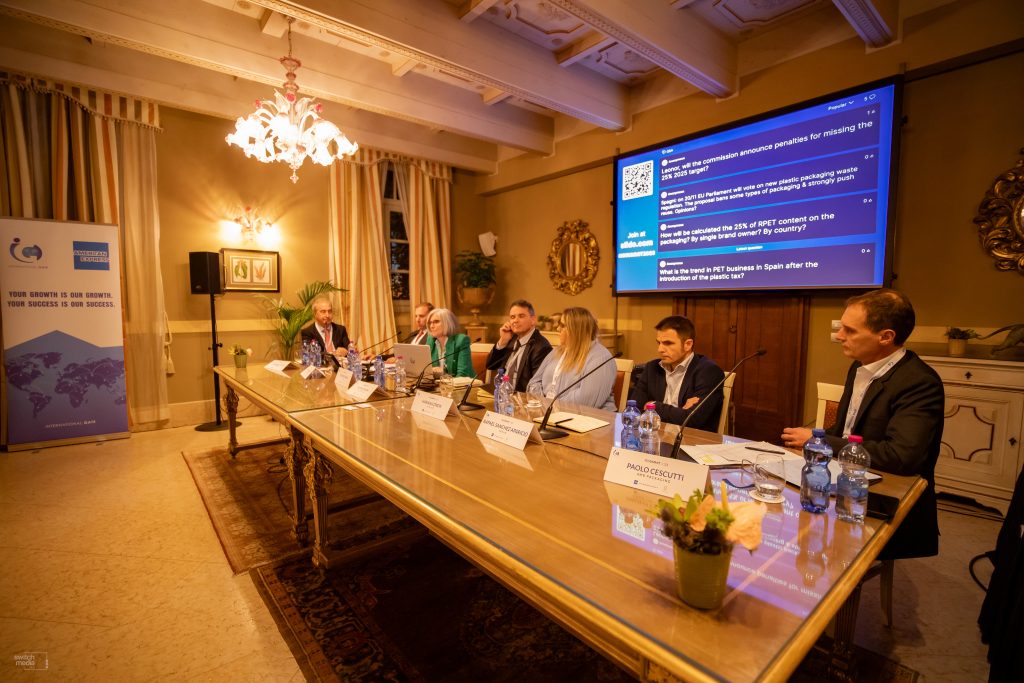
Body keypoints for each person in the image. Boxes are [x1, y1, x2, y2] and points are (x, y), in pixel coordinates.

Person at [781, 288, 945, 560]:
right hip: (843, 481)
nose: (839, 336)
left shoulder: (919, 383)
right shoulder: (859, 366)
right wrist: (813, 440)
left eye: (850, 330)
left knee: (799, 539)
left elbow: (901, 457)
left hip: (882, 500)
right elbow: (847, 432)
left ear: (886, 337)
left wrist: (821, 441)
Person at [630, 315, 725, 431]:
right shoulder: (652, 368)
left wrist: (653, 406)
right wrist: (680, 412)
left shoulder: (708, 372)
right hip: (654, 435)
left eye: (668, 343)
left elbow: (692, 420)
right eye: (659, 343)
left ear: (688, 344)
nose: (660, 349)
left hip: (691, 439)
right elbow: (634, 410)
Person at [527, 307, 616, 411]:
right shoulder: (557, 351)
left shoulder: (600, 357)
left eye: (562, 325)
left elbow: (586, 401)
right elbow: (534, 382)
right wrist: (541, 402)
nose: (558, 329)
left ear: (576, 330)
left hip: (589, 417)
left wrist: (551, 405)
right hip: (549, 411)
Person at [486, 299, 553, 393]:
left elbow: (536, 386)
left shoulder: (541, 347)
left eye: (521, 316)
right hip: (501, 394)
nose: (515, 321)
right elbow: (491, 365)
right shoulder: (510, 338)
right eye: (512, 317)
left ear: (533, 320)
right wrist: (503, 341)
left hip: (521, 398)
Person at [425, 307, 475, 378]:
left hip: (462, 383)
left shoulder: (461, 340)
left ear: (447, 323)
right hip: (438, 383)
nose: (431, 326)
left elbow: (463, 374)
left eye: (436, 322)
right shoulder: (431, 341)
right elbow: (425, 370)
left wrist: (443, 374)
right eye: (430, 323)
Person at [300, 295, 350, 365]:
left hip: (340, 367)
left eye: (330, 311)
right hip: (320, 367)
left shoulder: (340, 329)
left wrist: (346, 351)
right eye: (323, 312)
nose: (327, 315)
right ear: (315, 314)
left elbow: (349, 349)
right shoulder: (307, 332)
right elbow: (310, 355)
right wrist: (332, 354)